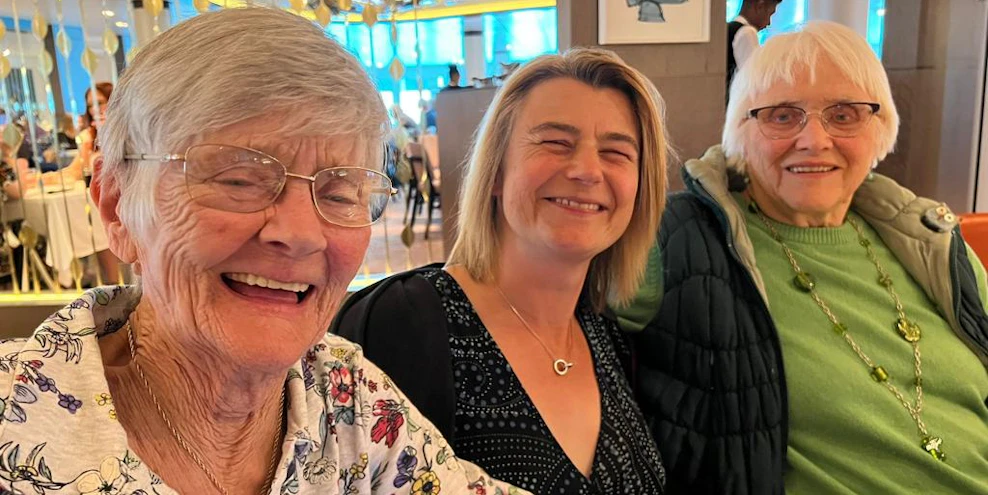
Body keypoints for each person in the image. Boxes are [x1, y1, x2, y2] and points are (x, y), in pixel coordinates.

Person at [0, 8, 527, 495]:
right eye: (239, 180)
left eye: (340, 191)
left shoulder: (347, 398)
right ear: (117, 206)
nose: (301, 233)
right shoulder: (19, 419)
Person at [618, 21, 988, 494]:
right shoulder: (676, 239)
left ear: (880, 128)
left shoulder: (930, 239)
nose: (814, 140)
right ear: (740, 130)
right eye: (782, 116)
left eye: (845, 114)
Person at [334, 47, 669, 494]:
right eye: (555, 142)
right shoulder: (400, 324)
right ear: (495, 172)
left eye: (616, 152)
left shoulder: (609, 339)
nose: (588, 170)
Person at [727, 0, 781, 101]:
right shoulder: (747, 32)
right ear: (759, 6)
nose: (769, 23)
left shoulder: (729, 27)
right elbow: (753, 80)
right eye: (769, 14)